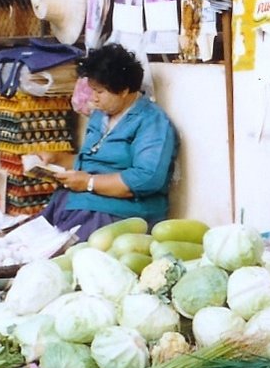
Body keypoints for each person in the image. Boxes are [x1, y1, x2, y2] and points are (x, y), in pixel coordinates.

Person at [38, 43, 177, 241]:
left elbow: (146, 178)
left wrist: (89, 183)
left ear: (124, 90)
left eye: (100, 92)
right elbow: (94, 159)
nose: (93, 98)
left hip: (119, 214)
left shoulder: (152, 122)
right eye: (92, 90)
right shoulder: (101, 115)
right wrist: (56, 160)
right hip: (78, 203)